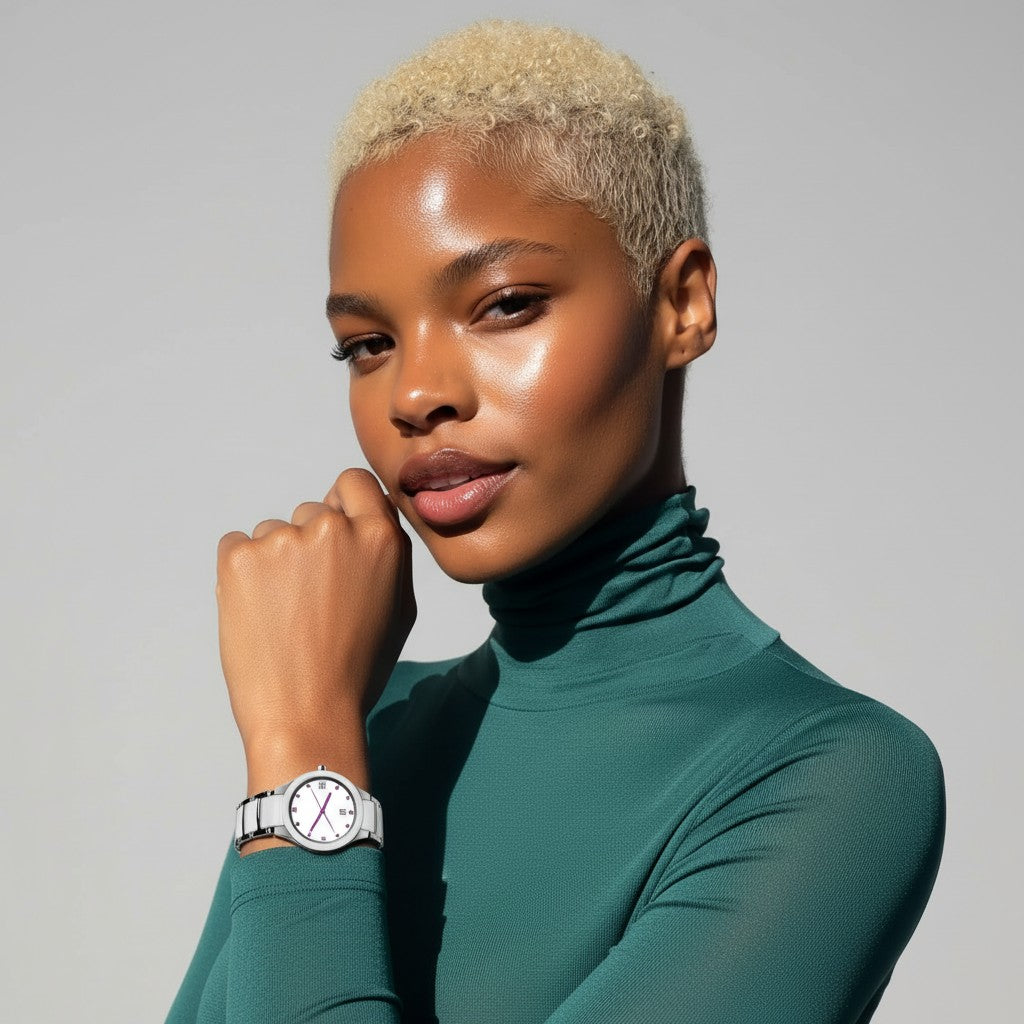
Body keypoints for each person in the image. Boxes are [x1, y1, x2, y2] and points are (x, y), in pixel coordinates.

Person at [166, 18, 945, 1024]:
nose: (416, 394)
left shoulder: (830, 774)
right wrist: (315, 739)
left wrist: (303, 753)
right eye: (367, 343)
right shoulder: (364, 721)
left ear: (681, 303)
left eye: (504, 304)